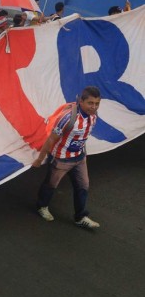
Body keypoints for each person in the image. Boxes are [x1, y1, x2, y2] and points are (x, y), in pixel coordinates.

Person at [32, 86, 102, 229]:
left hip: (80, 158)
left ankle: (80, 217)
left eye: (96, 103)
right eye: (90, 103)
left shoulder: (94, 115)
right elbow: (51, 139)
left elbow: (83, 135)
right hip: (61, 159)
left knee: (83, 186)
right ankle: (42, 206)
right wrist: (40, 159)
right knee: (51, 184)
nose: (93, 107)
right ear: (81, 101)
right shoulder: (68, 118)